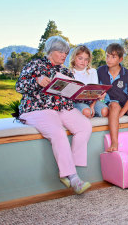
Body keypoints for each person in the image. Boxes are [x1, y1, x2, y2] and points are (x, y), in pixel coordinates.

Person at [16, 36, 92, 195]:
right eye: (61, 52)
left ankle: (68, 167)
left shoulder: (64, 70)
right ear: (51, 51)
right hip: (38, 108)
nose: (65, 55)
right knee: (58, 132)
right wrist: (36, 80)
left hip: (62, 107)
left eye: (66, 52)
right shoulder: (35, 64)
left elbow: (72, 94)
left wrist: (90, 94)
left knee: (84, 126)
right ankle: (73, 177)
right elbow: (19, 86)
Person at [69, 45, 109, 118]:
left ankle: (93, 111)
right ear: (74, 58)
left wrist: (92, 106)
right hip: (77, 102)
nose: (83, 62)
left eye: (86, 59)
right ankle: (86, 111)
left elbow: (96, 92)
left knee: (105, 111)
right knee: (87, 112)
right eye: (80, 58)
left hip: (93, 101)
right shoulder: (69, 73)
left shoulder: (92, 72)